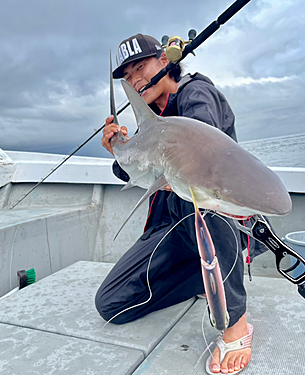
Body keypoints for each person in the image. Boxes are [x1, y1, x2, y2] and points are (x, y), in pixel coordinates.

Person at [96, 33, 267, 374]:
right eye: (127, 77)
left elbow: (200, 144)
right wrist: (120, 148)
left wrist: (157, 146)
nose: (135, 79)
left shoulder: (196, 93)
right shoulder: (152, 119)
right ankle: (204, 277)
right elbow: (137, 170)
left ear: (165, 62)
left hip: (215, 213)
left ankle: (236, 323)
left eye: (140, 67)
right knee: (112, 304)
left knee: (196, 192)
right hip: (170, 225)